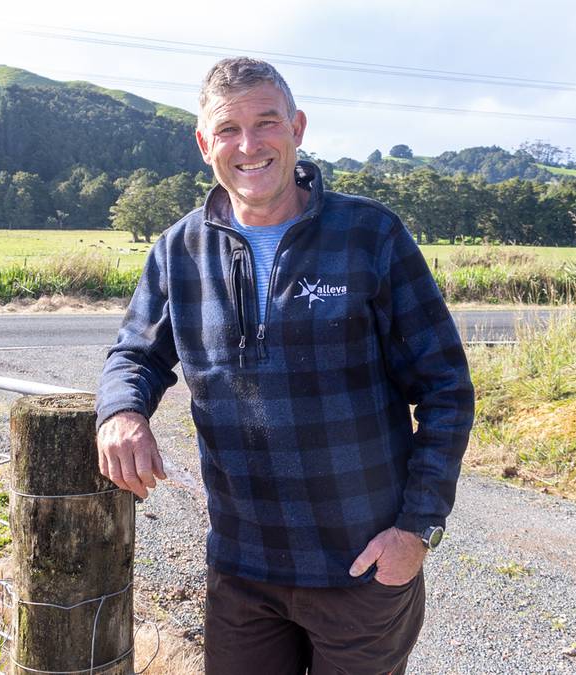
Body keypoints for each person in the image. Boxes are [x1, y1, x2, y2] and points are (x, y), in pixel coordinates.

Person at [95, 56, 474, 674]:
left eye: (266, 123)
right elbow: (135, 353)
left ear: (297, 128)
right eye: (227, 130)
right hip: (243, 572)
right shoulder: (178, 251)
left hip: (363, 568)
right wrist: (121, 412)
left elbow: (446, 390)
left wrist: (416, 531)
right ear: (204, 144)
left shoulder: (370, 236)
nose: (249, 145)